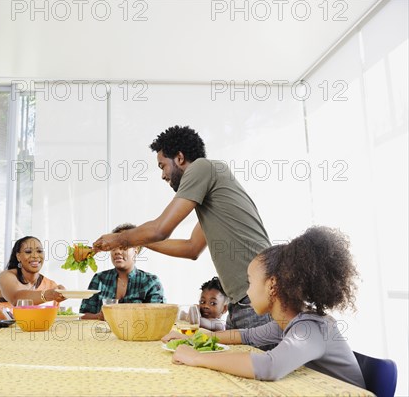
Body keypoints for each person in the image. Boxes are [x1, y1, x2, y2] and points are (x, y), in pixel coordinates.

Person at [93, 125, 271, 329]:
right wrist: (139, 241)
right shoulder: (213, 195)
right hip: (241, 303)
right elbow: (191, 248)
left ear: (179, 158)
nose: (163, 175)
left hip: (257, 301)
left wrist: (119, 239)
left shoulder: (202, 167)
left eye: (162, 166)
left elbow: (160, 229)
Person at [162, 226, 366, 389]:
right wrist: (191, 338)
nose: (247, 292)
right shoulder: (286, 323)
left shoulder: (310, 328)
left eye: (250, 283)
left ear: (272, 286)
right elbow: (245, 336)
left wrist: (197, 358)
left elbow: (270, 366)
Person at [80, 223, 165, 320]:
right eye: (113, 248)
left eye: (123, 247)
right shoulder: (99, 278)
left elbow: (159, 317)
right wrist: (98, 316)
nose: (117, 252)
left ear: (136, 249)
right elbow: (83, 315)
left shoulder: (151, 282)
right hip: (102, 334)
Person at [0, 236, 66, 309]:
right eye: (28, 252)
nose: (35, 256)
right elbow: (16, 299)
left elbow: (56, 316)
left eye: (39, 251)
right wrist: (49, 294)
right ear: (18, 256)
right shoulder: (6, 276)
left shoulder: (51, 285)